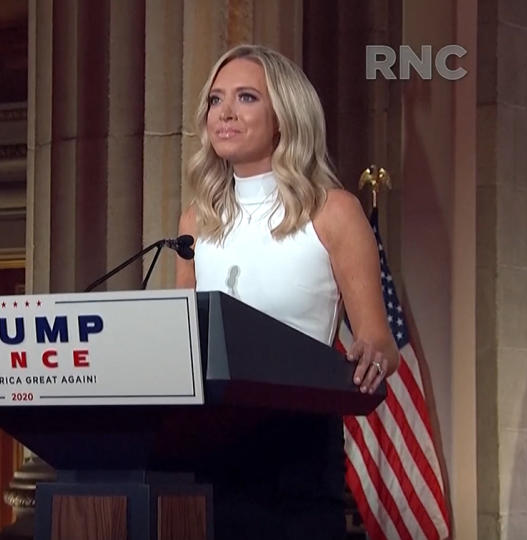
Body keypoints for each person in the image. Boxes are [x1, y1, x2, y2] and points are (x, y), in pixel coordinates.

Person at [175, 44, 400, 539]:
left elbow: (380, 342)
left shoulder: (333, 211)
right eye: (216, 100)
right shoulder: (196, 221)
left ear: (284, 117)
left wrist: (371, 355)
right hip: (205, 446)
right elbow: (181, 340)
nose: (225, 112)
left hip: (296, 448)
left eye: (247, 97)